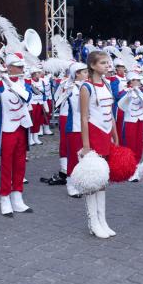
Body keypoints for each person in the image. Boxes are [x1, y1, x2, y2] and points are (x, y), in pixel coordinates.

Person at [79, 51, 119, 238]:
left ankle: (102, 220)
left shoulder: (108, 84)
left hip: (106, 135)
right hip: (93, 136)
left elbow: (110, 113)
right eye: (103, 63)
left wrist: (115, 135)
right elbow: (84, 117)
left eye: (107, 62)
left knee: (102, 179)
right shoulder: (86, 87)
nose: (107, 65)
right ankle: (92, 221)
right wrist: (86, 145)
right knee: (92, 179)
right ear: (93, 65)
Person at [0, 53, 34, 216]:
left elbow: (26, 98)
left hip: (22, 126)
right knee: (6, 164)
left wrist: (9, 82)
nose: (22, 69)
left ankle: (17, 197)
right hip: (7, 128)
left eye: (22, 66)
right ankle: (4, 198)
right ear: (9, 67)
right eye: (18, 66)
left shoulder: (25, 82)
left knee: (20, 163)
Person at [63, 62, 89, 197]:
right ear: (77, 74)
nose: (87, 74)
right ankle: (71, 184)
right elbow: (77, 107)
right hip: (74, 127)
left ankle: (82, 182)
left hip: (87, 127)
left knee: (85, 157)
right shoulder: (71, 88)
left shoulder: (88, 87)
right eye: (84, 72)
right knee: (74, 157)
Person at [117, 70, 143, 182]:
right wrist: (129, 93)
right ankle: (129, 169)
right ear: (131, 81)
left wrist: (138, 92)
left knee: (138, 145)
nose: (139, 82)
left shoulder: (141, 91)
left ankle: (136, 166)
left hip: (140, 119)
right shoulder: (124, 91)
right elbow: (121, 105)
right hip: (129, 120)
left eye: (139, 80)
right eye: (136, 80)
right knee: (130, 145)